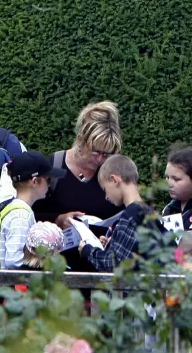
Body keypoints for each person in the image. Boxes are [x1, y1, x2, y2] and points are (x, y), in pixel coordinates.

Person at [38, 100, 124, 269]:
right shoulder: (55, 165)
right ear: (80, 140)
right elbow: (35, 213)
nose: (100, 160)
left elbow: (125, 216)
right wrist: (59, 219)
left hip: (101, 270)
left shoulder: (114, 173)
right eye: (95, 152)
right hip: (59, 270)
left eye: (106, 154)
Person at [76, 155, 156, 272]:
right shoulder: (148, 212)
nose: (106, 197)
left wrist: (87, 250)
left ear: (114, 180)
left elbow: (114, 264)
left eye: (105, 189)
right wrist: (111, 244)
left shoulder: (130, 215)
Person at [0, 150, 57, 269]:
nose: (50, 185)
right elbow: (14, 262)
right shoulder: (21, 216)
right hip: (9, 286)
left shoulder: (14, 210)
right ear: (34, 181)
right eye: (48, 180)